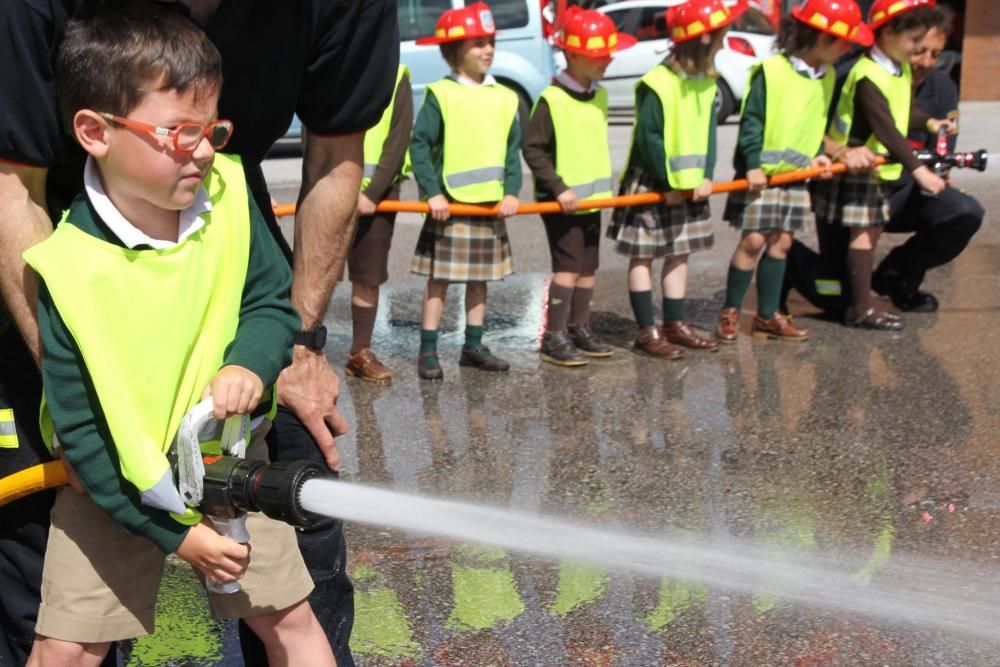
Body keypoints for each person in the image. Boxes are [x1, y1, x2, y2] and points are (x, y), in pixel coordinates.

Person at [0, 0, 399, 664]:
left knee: (304, 609)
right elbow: (13, 192)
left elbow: (273, 293)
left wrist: (270, 355)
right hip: (114, 469)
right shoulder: (64, 272)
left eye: (215, 131)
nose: (207, 151)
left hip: (228, 457)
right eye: (183, 133)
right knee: (59, 634)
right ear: (95, 132)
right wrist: (172, 530)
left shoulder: (231, 203)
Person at [716, 0, 871, 344]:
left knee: (782, 242)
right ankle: (729, 311)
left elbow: (813, 124)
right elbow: (752, 123)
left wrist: (817, 155)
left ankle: (768, 315)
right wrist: (753, 164)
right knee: (753, 240)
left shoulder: (826, 76)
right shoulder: (771, 71)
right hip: (763, 174)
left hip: (796, 175)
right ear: (818, 37)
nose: (848, 47)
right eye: (842, 40)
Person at [607, 0, 742, 359]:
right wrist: (668, 184)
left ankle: (674, 323)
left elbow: (708, 132)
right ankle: (646, 330)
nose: (724, 39)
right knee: (644, 256)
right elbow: (651, 138)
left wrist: (708, 174)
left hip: (690, 183)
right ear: (703, 37)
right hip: (655, 182)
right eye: (721, 34)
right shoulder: (657, 82)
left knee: (680, 251)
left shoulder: (706, 81)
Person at [809, 0, 949, 330]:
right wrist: (920, 171)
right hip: (857, 165)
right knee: (863, 235)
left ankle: (862, 301)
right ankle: (860, 307)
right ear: (887, 32)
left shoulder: (896, 69)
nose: (918, 50)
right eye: (914, 41)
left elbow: (903, 111)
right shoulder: (867, 73)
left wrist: (928, 123)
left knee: (869, 233)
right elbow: (885, 127)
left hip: (874, 168)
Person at [409, 2, 522, 381]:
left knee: (480, 280)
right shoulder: (441, 94)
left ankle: (473, 346)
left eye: (489, 42)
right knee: (438, 281)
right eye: (477, 43)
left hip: (489, 206)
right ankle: (428, 350)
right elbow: (420, 146)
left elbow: (511, 152)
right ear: (455, 51)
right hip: (450, 206)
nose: (487, 49)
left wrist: (512, 190)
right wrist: (432, 192)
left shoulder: (506, 97)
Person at [523, 7, 635, 367]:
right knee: (568, 269)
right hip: (564, 203)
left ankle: (579, 327)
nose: (608, 60)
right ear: (571, 54)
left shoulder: (598, 96)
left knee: (588, 268)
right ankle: (553, 334)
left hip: (592, 200)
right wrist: (558, 188)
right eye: (599, 56)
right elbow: (533, 149)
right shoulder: (552, 100)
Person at [871, 4, 983, 312]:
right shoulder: (863, 74)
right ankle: (791, 265)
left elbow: (942, 149)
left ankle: (898, 275)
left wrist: (940, 171)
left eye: (936, 54)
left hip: (905, 192)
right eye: (920, 51)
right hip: (856, 192)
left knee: (964, 212)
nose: (926, 62)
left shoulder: (942, 86)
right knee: (833, 295)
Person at [345, 65, 414, 383]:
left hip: (377, 192)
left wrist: (373, 192)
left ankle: (361, 351)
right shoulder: (329, 58)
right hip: (331, 187)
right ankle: (305, 352)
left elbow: (399, 136)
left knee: (367, 276)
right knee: (316, 272)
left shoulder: (395, 72)